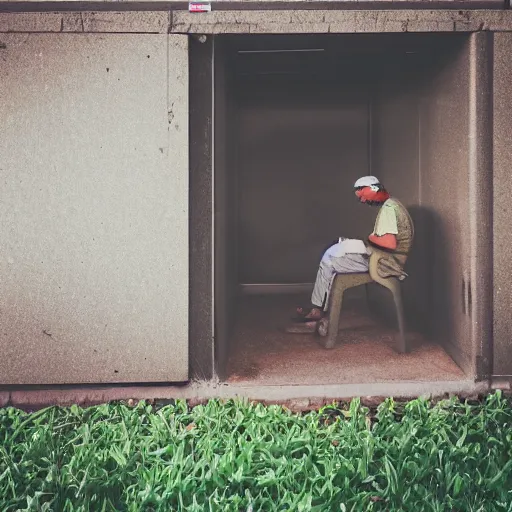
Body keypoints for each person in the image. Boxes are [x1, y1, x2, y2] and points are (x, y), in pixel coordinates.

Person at [293, 175, 413, 324]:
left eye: (362, 196)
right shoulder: (393, 204)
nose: (363, 201)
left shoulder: (389, 209)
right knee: (340, 244)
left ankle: (317, 310)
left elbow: (389, 243)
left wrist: (371, 238)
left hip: (384, 263)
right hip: (384, 258)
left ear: (373, 188)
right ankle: (318, 306)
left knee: (329, 260)